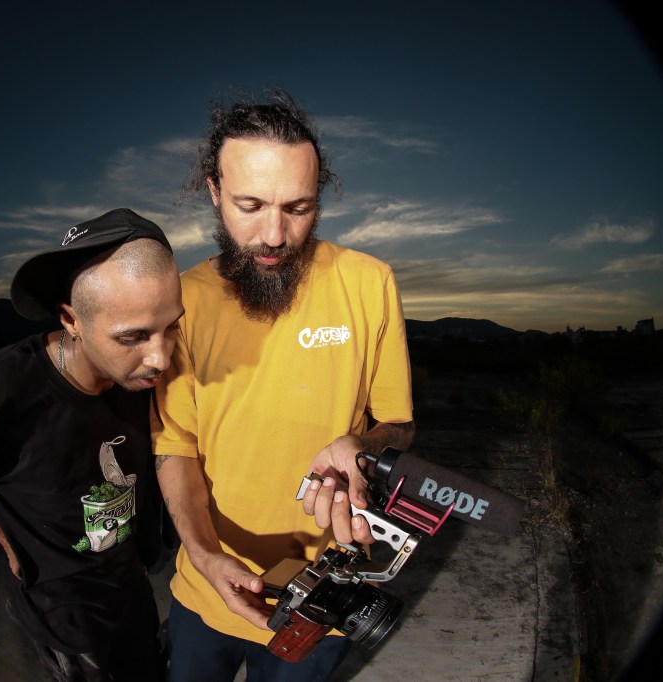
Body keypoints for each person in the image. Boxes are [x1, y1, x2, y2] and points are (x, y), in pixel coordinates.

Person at [151, 89, 416, 681]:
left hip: (327, 593)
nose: (274, 234)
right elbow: (174, 446)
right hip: (208, 586)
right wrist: (204, 555)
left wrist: (365, 448)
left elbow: (398, 424)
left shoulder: (369, 283)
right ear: (214, 191)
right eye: (249, 205)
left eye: (298, 207)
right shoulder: (182, 300)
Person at [0, 207, 183, 682]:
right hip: (64, 610)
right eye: (132, 337)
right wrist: (4, 536)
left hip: (130, 584)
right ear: (71, 319)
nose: (160, 357)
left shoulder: (145, 377)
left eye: (171, 326)